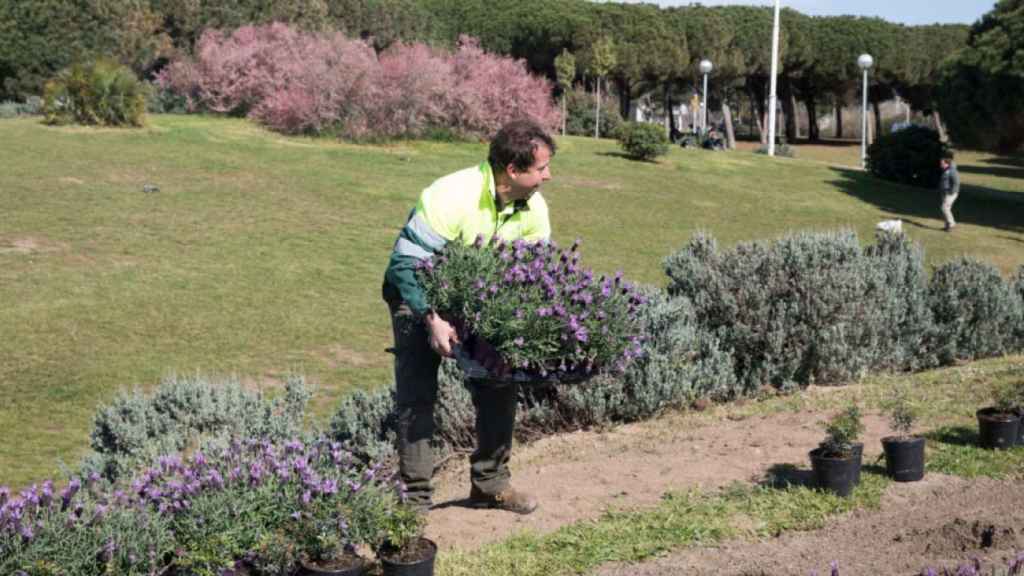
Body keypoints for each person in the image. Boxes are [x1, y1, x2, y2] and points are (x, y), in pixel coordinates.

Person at [381, 119, 556, 515]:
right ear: (513, 170)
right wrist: (432, 319)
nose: (549, 175)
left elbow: (535, 276)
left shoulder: (534, 208)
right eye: (542, 167)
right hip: (418, 293)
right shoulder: (451, 194)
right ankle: (414, 498)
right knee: (416, 392)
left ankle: (490, 483)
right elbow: (405, 264)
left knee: (501, 379)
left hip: (481, 299)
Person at [939, 153, 960, 232]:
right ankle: (947, 226)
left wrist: (951, 192)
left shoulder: (952, 171)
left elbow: (956, 182)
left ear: (947, 163)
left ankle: (951, 224)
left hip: (951, 193)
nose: (940, 164)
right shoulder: (946, 170)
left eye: (942, 163)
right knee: (947, 209)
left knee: (944, 208)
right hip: (945, 193)